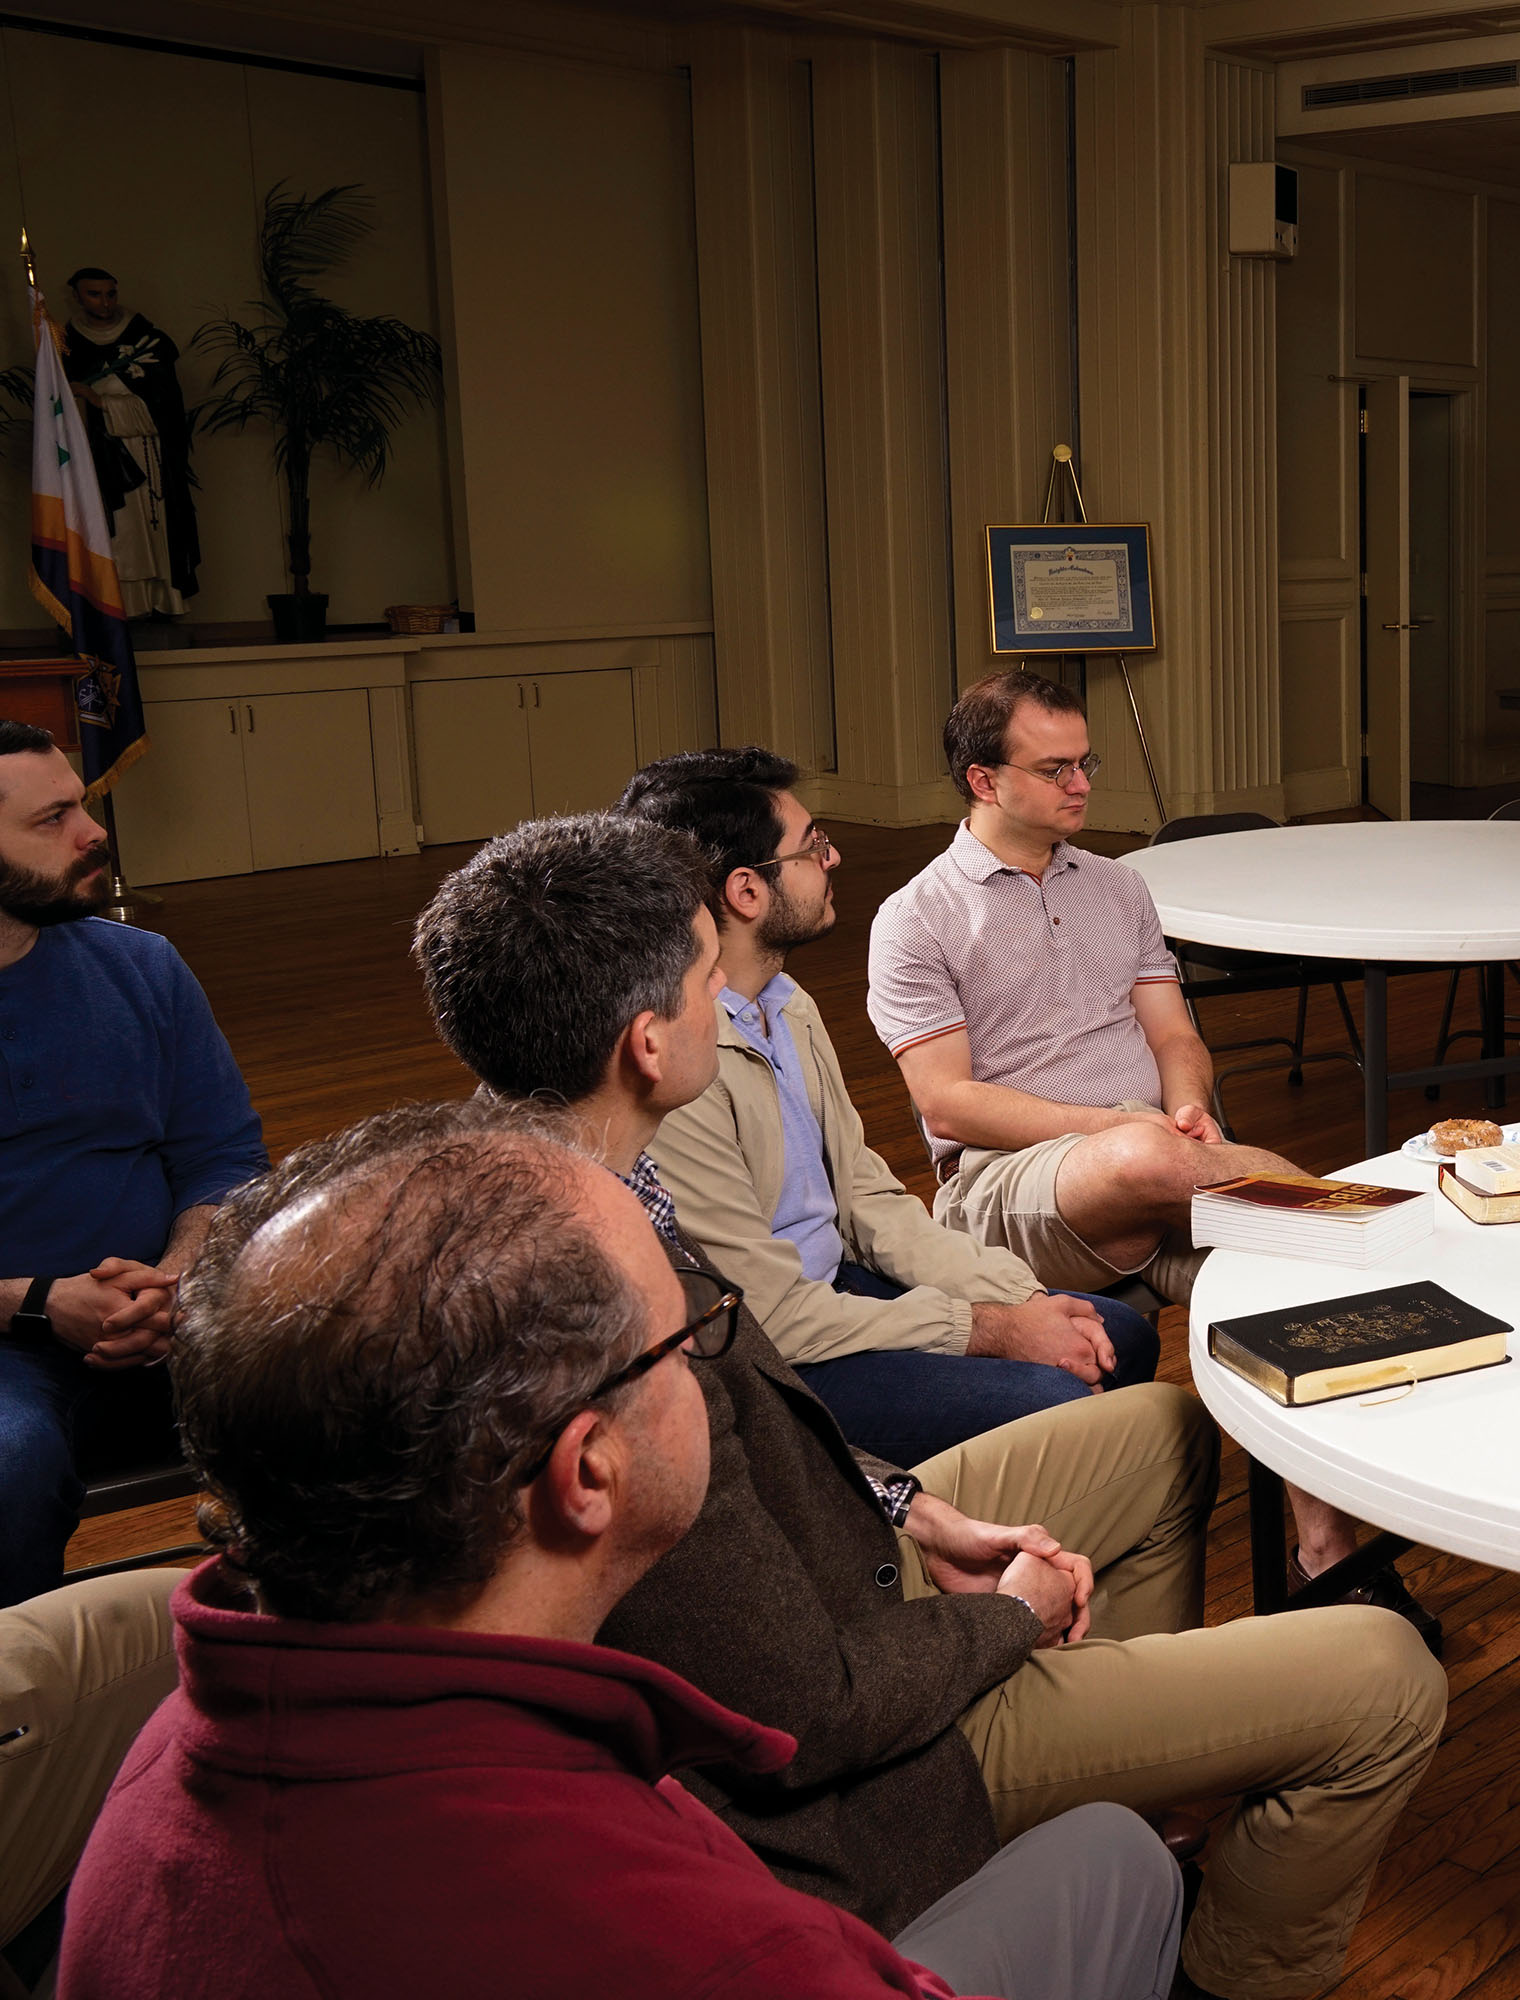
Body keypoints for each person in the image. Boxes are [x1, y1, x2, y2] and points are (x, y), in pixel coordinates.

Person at [415, 812, 1447, 2000]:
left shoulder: (566, 1179)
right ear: (648, 1042)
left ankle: (1136, 1816)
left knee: (1160, 1429)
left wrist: (908, 1502)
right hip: (869, 1745)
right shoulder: (598, 1312)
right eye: (706, 979)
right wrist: (1008, 1615)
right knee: (1387, 1675)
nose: (727, 996)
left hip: (840, 1550)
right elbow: (806, 1706)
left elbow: (774, 1409)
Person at [62, 1096, 1183, 2000]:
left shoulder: (173, 1757)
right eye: (689, 1341)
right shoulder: (686, 1936)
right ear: (587, 1472)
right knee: (1117, 1856)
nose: (714, 1364)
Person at [867, 669, 1435, 1624]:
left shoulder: (1119, 885)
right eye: (1054, 768)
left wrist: (1187, 1107)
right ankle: (1392, 1222)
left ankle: (1324, 1559)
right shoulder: (917, 917)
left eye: (1086, 761)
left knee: (1290, 1276)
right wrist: (1129, 1132)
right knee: (1162, 1165)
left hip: (1158, 1160)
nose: (1082, 783)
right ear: (982, 781)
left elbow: (1174, 1035)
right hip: (1007, 1187)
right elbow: (949, 1104)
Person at [615, 747, 1157, 1467]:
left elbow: (867, 1198)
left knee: (1121, 1334)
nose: (832, 858)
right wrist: (984, 1328)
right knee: (1057, 1400)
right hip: (775, 1358)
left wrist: (1018, 1298)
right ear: (746, 890)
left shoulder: (787, 1003)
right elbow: (766, 1316)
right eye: (812, 846)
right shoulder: (679, 1063)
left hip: (833, 1285)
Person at [0, 720, 267, 1606]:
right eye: (53, 819)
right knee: (9, 1464)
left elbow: (224, 1157)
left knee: (374, 1383)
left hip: (169, 1322)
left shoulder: (143, 966)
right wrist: (39, 1302)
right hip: (9, 1354)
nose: (94, 833)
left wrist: (178, 1277)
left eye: (81, 805)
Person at [64, 269, 196, 617]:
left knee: (152, 528)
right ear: (77, 297)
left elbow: (166, 407)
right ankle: (116, 605)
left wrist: (101, 402)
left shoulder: (147, 340)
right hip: (96, 452)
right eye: (94, 294)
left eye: (111, 293)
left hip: (146, 451)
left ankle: (159, 601)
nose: (105, 302)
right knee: (115, 531)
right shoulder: (65, 344)